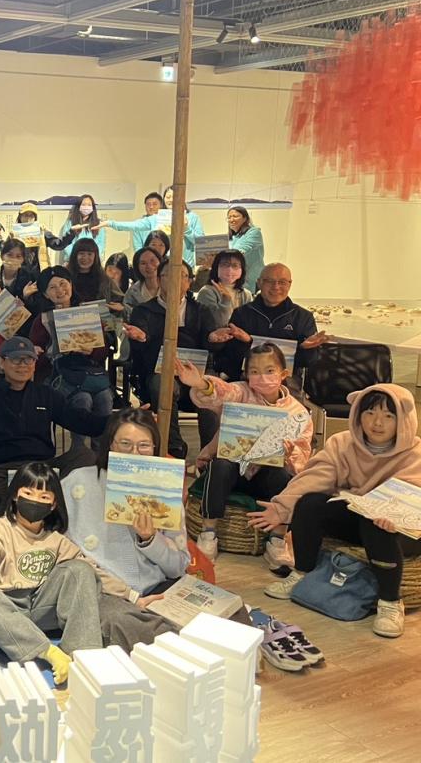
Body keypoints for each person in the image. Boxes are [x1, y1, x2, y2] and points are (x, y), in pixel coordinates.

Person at [0, 409, 192, 653]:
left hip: (158, 586)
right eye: (125, 444)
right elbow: (38, 508)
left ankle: (182, 643)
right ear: (110, 445)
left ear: (155, 447)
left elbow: (178, 566)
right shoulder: (80, 481)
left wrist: (150, 539)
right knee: (115, 621)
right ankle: (174, 652)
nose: (134, 453)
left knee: (199, 613)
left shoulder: (165, 490)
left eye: (143, 446)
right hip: (104, 590)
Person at [252, 385, 421, 639]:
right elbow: (315, 477)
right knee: (310, 503)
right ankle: (302, 572)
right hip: (360, 515)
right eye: (370, 413)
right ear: (358, 414)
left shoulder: (415, 454)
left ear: (403, 420)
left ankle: (390, 601)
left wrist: (396, 518)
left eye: (388, 416)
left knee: (376, 525)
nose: (377, 423)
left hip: (403, 529)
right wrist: (282, 507)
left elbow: (414, 498)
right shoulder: (343, 443)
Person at [0, 462, 101, 686]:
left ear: (53, 504)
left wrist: (132, 596)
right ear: (15, 496)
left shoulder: (57, 539)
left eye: (43, 497)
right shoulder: (0, 529)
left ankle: (86, 655)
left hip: (39, 608)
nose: (35, 501)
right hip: (5, 611)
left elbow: (92, 570)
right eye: (28, 494)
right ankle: (50, 653)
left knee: (80, 569)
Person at [178, 345, 312, 568]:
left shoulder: (297, 412)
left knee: (283, 477)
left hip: (266, 476)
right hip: (233, 472)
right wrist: (201, 384)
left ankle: (277, 540)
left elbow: (303, 451)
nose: (262, 377)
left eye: (270, 371)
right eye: (254, 372)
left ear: (284, 374)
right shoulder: (241, 393)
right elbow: (223, 392)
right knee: (220, 464)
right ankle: (208, 533)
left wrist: (290, 453)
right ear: (247, 374)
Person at [0, 336, 109, 508]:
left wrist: (122, 420)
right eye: (16, 359)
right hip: (3, 469)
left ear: (34, 364)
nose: (23, 365)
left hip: (43, 468)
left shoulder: (45, 393)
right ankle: (33, 506)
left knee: (86, 456)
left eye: (28, 359)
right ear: (1, 362)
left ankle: (32, 503)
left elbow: (81, 421)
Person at [124, 259, 217, 459]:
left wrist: (213, 338)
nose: (176, 280)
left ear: (189, 282)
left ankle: (209, 456)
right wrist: (141, 338)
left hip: (195, 373)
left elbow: (212, 343)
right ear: (159, 280)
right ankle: (173, 448)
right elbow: (139, 347)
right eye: (169, 275)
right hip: (160, 372)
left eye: (182, 276)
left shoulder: (201, 311)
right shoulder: (144, 311)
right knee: (163, 385)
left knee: (211, 392)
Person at [29, 267, 112, 445]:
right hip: (58, 376)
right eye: (52, 287)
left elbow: (104, 351)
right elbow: (36, 360)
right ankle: (79, 451)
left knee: (105, 397)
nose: (60, 290)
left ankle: (101, 451)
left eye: (63, 283)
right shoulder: (42, 320)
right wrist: (51, 352)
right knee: (82, 399)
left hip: (88, 372)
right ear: (45, 294)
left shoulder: (88, 314)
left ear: (71, 285)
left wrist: (92, 351)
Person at [211, 263, 327, 382]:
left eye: (282, 282)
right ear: (259, 283)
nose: (276, 287)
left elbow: (309, 361)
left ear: (290, 284)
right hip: (245, 379)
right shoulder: (241, 313)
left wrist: (304, 349)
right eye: (269, 281)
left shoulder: (303, 317)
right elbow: (229, 356)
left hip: (285, 381)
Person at [195, 250, 253, 335]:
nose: (230, 269)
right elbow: (217, 324)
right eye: (225, 264)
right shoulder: (207, 292)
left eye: (235, 265)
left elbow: (249, 323)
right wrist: (226, 301)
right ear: (216, 268)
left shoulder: (246, 294)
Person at [160, 187, 205, 266]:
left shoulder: (192, 217)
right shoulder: (159, 217)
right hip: (163, 263)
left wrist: (186, 228)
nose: (171, 200)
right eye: (168, 197)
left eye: (174, 197)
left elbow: (201, 242)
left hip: (186, 265)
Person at [56, 195, 106, 260]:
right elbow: (66, 244)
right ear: (79, 206)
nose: (86, 207)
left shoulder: (98, 224)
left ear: (93, 207)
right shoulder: (70, 223)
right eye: (84, 204)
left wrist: (91, 259)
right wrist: (76, 258)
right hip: (72, 261)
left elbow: (101, 245)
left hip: (92, 261)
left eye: (89, 205)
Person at [227, 205, 265, 291]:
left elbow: (239, 251)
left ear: (245, 218)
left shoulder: (254, 232)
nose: (231, 220)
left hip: (252, 281)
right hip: (236, 282)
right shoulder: (231, 238)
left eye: (235, 216)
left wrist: (219, 256)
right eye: (229, 217)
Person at [122, 247, 161, 314]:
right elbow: (128, 315)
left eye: (152, 260)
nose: (149, 266)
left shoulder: (172, 287)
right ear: (138, 267)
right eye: (143, 263)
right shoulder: (133, 292)